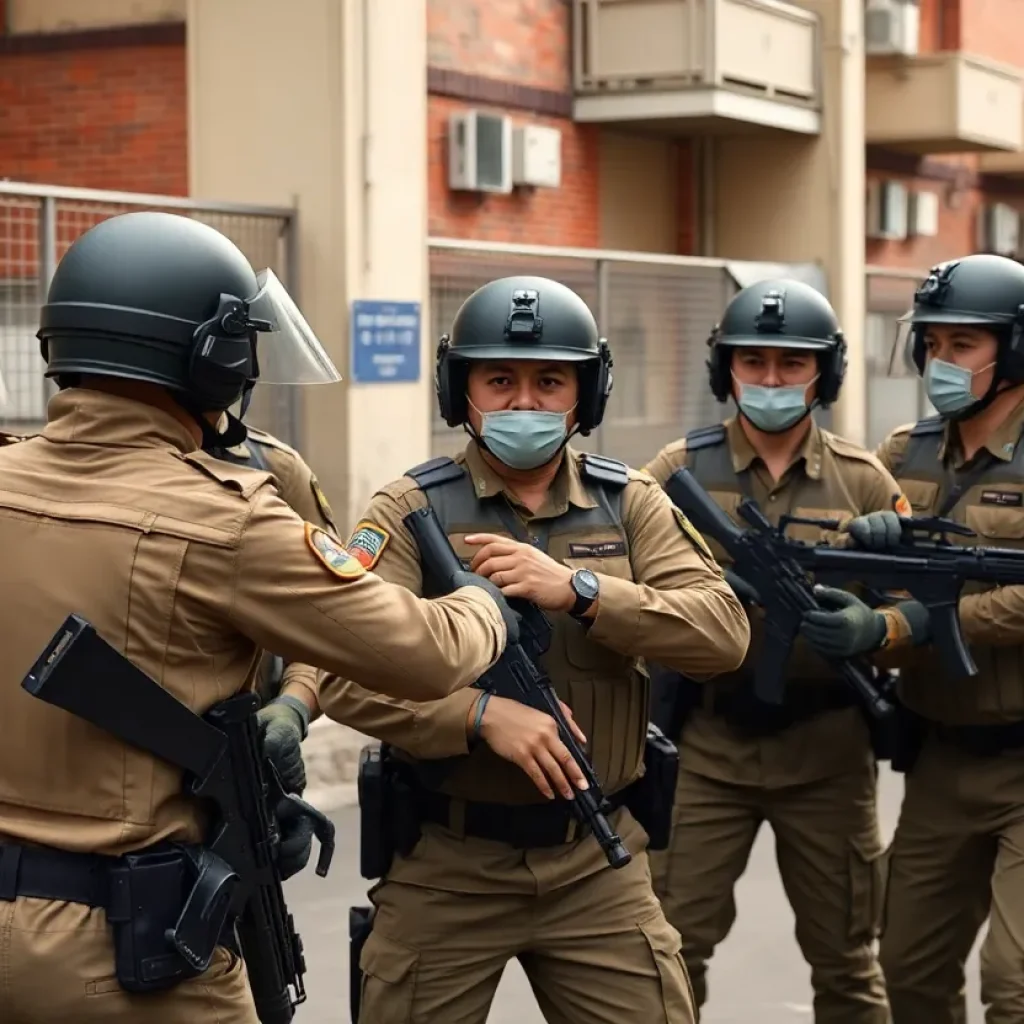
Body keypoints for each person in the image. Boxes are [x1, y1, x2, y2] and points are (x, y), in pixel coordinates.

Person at [0, 210, 514, 1024]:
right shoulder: (226, 519)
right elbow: (424, 654)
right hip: (129, 950)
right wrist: (484, 606)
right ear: (210, 359)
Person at [318, 275, 750, 1024]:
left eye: (550, 381)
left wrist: (583, 591)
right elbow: (342, 673)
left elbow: (723, 633)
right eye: (500, 380)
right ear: (460, 390)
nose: (524, 402)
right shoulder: (409, 509)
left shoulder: (630, 502)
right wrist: (477, 716)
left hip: (597, 861)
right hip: (448, 864)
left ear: (587, 394)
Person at [642, 279, 897, 1023]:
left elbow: (909, 610)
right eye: (754, 362)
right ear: (726, 369)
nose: (773, 379)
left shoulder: (863, 480)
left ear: (826, 372)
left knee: (848, 962)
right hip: (707, 748)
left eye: (793, 363)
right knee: (668, 952)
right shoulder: (677, 471)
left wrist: (875, 616)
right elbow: (624, 579)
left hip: (828, 754)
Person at [816, 253, 1024, 1023]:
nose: (942, 361)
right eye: (931, 344)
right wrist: (860, 573)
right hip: (941, 758)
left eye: (963, 344)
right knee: (908, 969)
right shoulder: (906, 451)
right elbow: (867, 577)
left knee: (1015, 985)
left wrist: (921, 622)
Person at [208, 415, 341, 797]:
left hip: (243, 764)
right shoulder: (70, 466)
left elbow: (330, 621)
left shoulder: (271, 468)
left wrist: (295, 702)